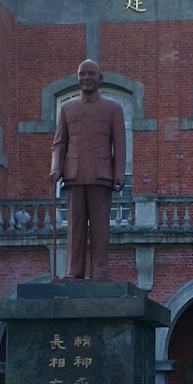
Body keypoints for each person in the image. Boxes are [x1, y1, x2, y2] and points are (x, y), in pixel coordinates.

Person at [50, 60, 127, 280]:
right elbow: (59, 143)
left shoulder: (113, 108)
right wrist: (56, 167)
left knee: (100, 226)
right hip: (73, 174)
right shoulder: (67, 108)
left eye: (91, 74)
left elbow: (119, 144)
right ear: (77, 78)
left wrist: (119, 173)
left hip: (101, 174)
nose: (86, 78)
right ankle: (74, 270)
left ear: (100, 79)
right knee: (75, 226)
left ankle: (99, 270)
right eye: (82, 74)